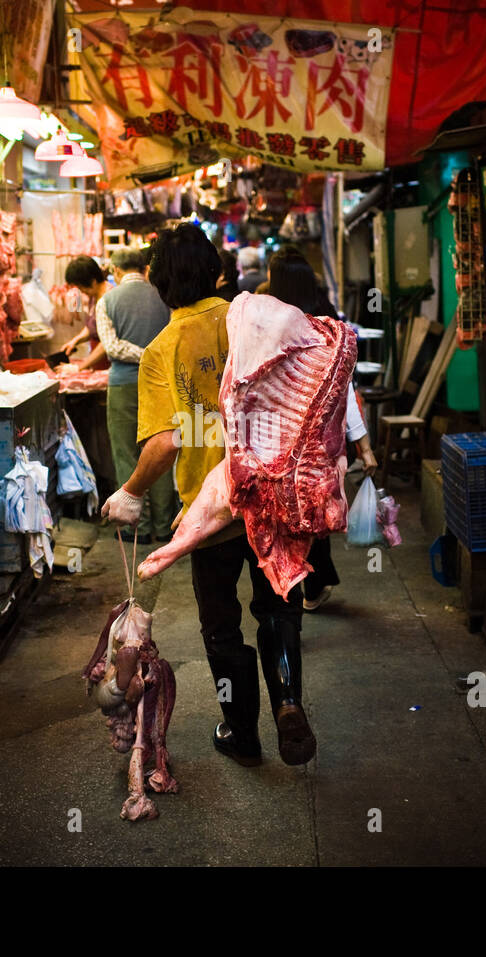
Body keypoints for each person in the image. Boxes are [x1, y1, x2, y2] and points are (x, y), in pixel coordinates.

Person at [101, 223, 317, 767]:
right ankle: (288, 701)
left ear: (157, 283)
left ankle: (240, 732)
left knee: (222, 628)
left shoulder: (161, 350)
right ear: (218, 270)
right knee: (278, 607)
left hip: (209, 512)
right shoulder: (256, 317)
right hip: (276, 499)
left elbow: (166, 443)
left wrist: (129, 491)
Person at [261, 247, 377, 612]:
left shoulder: (271, 322)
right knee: (314, 508)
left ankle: (295, 589)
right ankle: (309, 585)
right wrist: (364, 445)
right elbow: (345, 386)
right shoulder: (326, 318)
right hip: (323, 439)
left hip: (282, 435)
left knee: (287, 513)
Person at [95, 247, 178, 544]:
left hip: (123, 384)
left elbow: (112, 347)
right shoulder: (165, 297)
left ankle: (135, 527)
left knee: (126, 453)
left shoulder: (107, 300)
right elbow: (173, 338)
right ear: (143, 268)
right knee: (162, 451)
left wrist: (141, 355)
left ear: (116, 272)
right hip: (161, 384)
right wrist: (152, 356)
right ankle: (165, 525)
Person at [60, 256, 111, 371]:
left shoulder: (110, 299)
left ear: (93, 282)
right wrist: (76, 341)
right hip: (96, 358)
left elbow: (107, 342)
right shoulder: (93, 297)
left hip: (108, 361)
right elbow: (92, 326)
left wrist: (80, 367)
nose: (81, 291)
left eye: (81, 287)